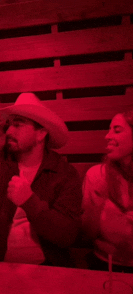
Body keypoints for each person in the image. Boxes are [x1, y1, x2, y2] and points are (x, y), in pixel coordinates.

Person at [0, 92, 82, 266]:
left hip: (47, 269)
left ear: (41, 134)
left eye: (18, 125)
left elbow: (67, 235)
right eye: (10, 125)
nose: (10, 131)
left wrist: (29, 201)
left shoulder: (63, 173)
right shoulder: (0, 162)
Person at [82, 109, 133, 273]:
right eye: (109, 129)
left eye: (116, 130)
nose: (107, 136)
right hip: (105, 265)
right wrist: (96, 207)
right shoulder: (97, 175)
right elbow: (87, 234)